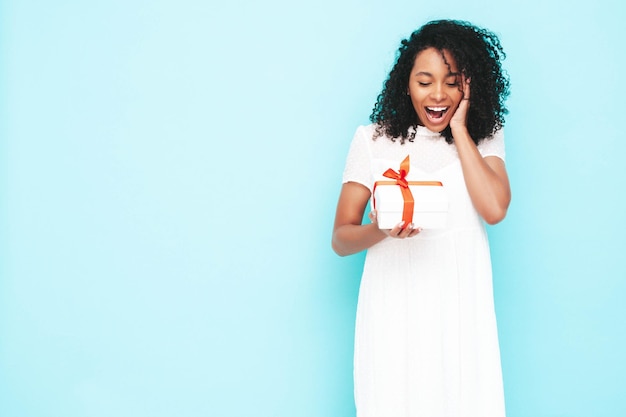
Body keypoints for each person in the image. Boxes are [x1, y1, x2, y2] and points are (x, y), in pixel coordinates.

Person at [331, 20, 511, 417]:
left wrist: (461, 131)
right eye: (424, 81)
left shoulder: (485, 136)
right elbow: (341, 238)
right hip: (394, 306)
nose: (438, 95)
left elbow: (495, 209)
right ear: (405, 84)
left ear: (469, 85)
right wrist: (380, 230)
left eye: (452, 82)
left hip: (459, 310)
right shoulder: (373, 140)